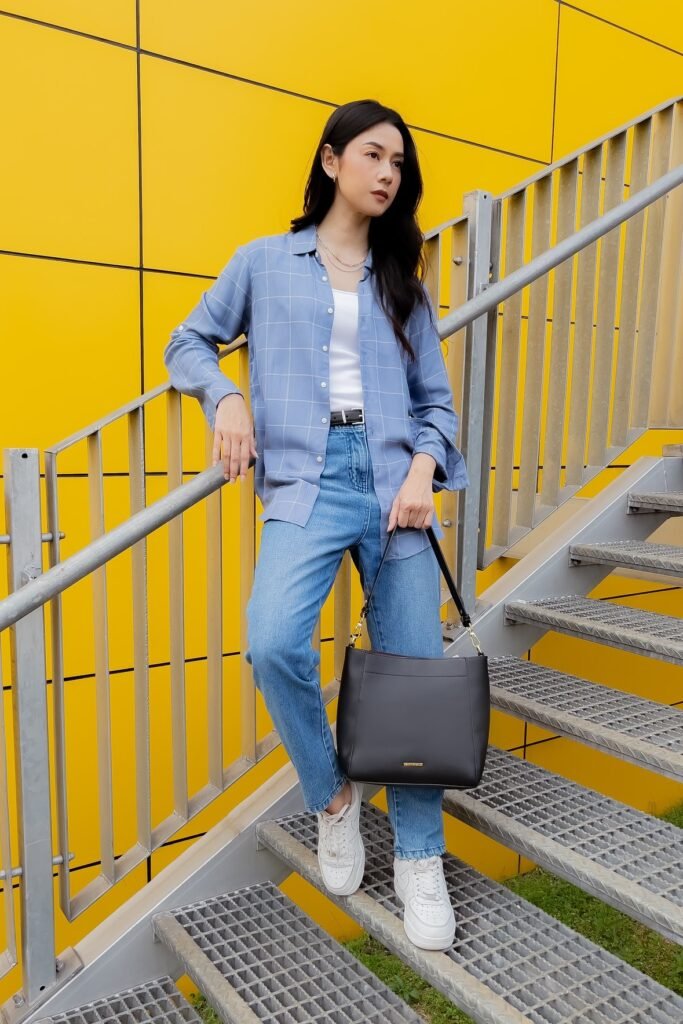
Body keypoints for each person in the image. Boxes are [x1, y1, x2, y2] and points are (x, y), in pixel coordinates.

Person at [163, 98, 469, 951]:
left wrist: (418, 471)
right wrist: (224, 395)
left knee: (411, 675)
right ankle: (334, 799)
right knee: (270, 642)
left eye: (398, 164)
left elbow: (438, 407)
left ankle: (418, 857)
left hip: (395, 487)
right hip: (306, 480)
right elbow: (189, 341)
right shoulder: (264, 262)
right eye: (373, 155)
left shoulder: (403, 278)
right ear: (331, 160)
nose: (386, 174)